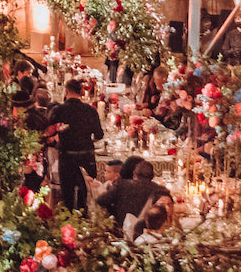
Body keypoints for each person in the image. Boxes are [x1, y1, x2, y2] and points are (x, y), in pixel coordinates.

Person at [49, 80, 104, 211]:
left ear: (66, 92)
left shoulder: (59, 111)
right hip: (86, 156)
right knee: (85, 193)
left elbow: (49, 131)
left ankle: (69, 222)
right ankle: (84, 219)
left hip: (66, 157)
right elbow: (99, 135)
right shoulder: (90, 110)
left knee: (67, 194)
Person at [95, 158, 172, 237]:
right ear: (153, 175)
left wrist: (113, 213)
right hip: (145, 234)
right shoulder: (158, 189)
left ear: (135, 174)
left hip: (120, 233)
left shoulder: (122, 185)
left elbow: (100, 201)